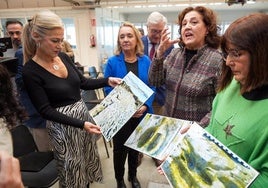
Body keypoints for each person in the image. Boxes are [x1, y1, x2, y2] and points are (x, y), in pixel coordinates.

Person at [22, 10, 121, 187]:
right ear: (36, 36)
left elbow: (83, 82)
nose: (60, 45)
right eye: (54, 40)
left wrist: (107, 80)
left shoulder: (62, 57)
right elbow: (45, 110)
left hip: (83, 120)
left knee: (86, 164)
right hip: (63, 128)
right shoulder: (30, 71)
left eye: (61, 39)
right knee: (72, 171)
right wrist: (81, 124)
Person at [149, 6, 223, 165]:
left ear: (207, 29)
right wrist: (160, 55)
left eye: (194, 22)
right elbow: (155, 81)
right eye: (184, 24)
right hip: (170, 132)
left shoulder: (218, 61)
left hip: (196, 137)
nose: (187, 26)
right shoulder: (175, 54)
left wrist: (197, 128)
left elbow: (222, 105)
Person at [206, 13, 268, 187]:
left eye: (236, 54)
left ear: (261, 54)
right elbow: (213, 127)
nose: (228, 62)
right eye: (227, 54)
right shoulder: (231, 83)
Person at [104, 22, 154, 188]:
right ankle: (119, 180)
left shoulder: (145, 60)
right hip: (120, 115)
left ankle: (133, 177)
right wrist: (126, 108)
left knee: (134, 148)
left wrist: (146, 105)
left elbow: (152, 86)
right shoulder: (112, 62)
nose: (125, 39)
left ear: (136, 39)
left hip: (140, 114)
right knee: (119, 150)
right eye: (122, 36)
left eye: (129, 36)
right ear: (119, 40)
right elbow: (106, 88)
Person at [141, 11, 175, 167]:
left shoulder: (169, 47)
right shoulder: (138, 43)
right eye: (153, 31)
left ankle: (155, 153)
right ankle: (139, 152)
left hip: (159, 94)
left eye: (160, 31)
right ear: (147, 27)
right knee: (140, 127)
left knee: (157, 126)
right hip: (140, 94)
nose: (156, 34)